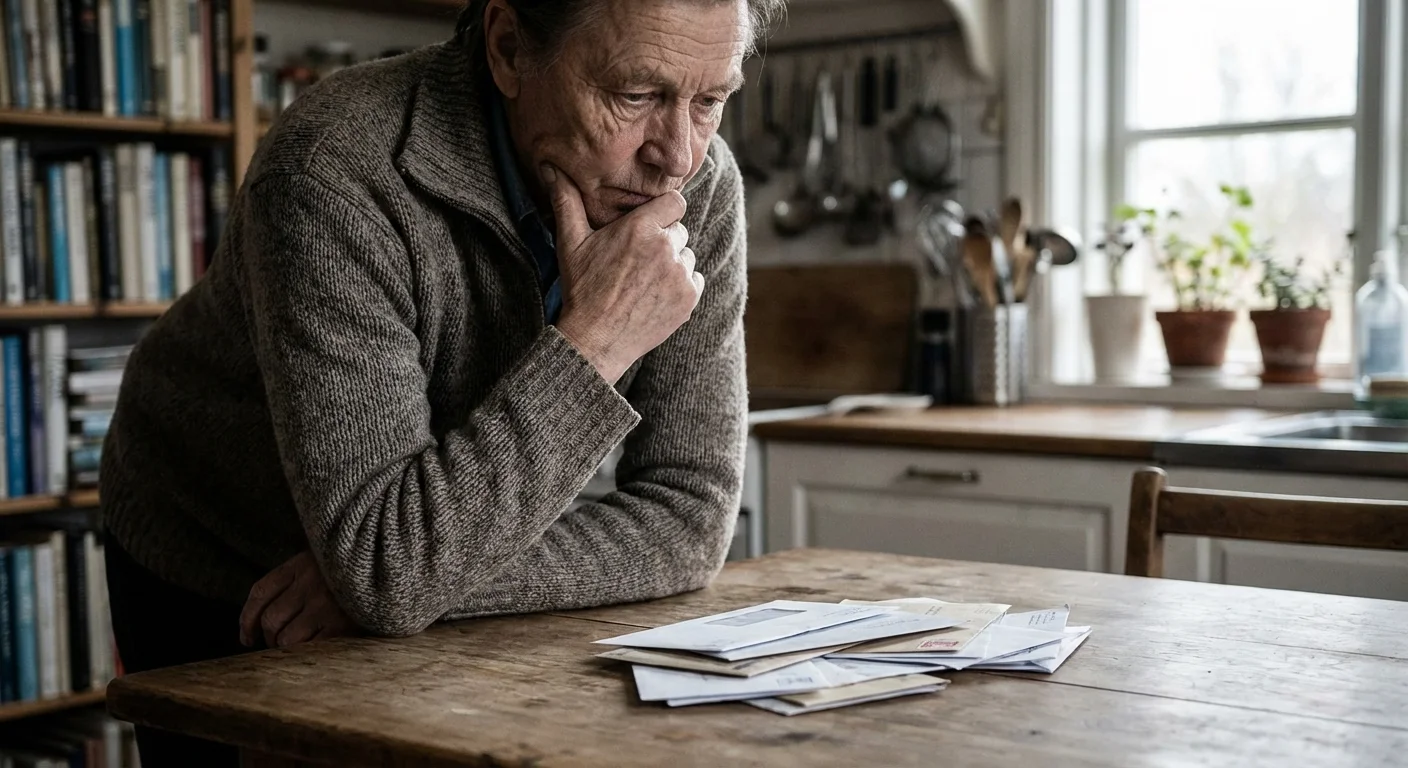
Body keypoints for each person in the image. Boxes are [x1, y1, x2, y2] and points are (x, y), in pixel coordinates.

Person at [99, 0, 781, 762]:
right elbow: (390, 569)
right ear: (509, 49)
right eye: (635, 95)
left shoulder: (702, 189)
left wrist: (402, 573)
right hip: (218, 546)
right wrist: (597, 341)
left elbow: (689, 520)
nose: (678, 154)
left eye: (711, 100)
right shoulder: (334, 166)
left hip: (407, 550)